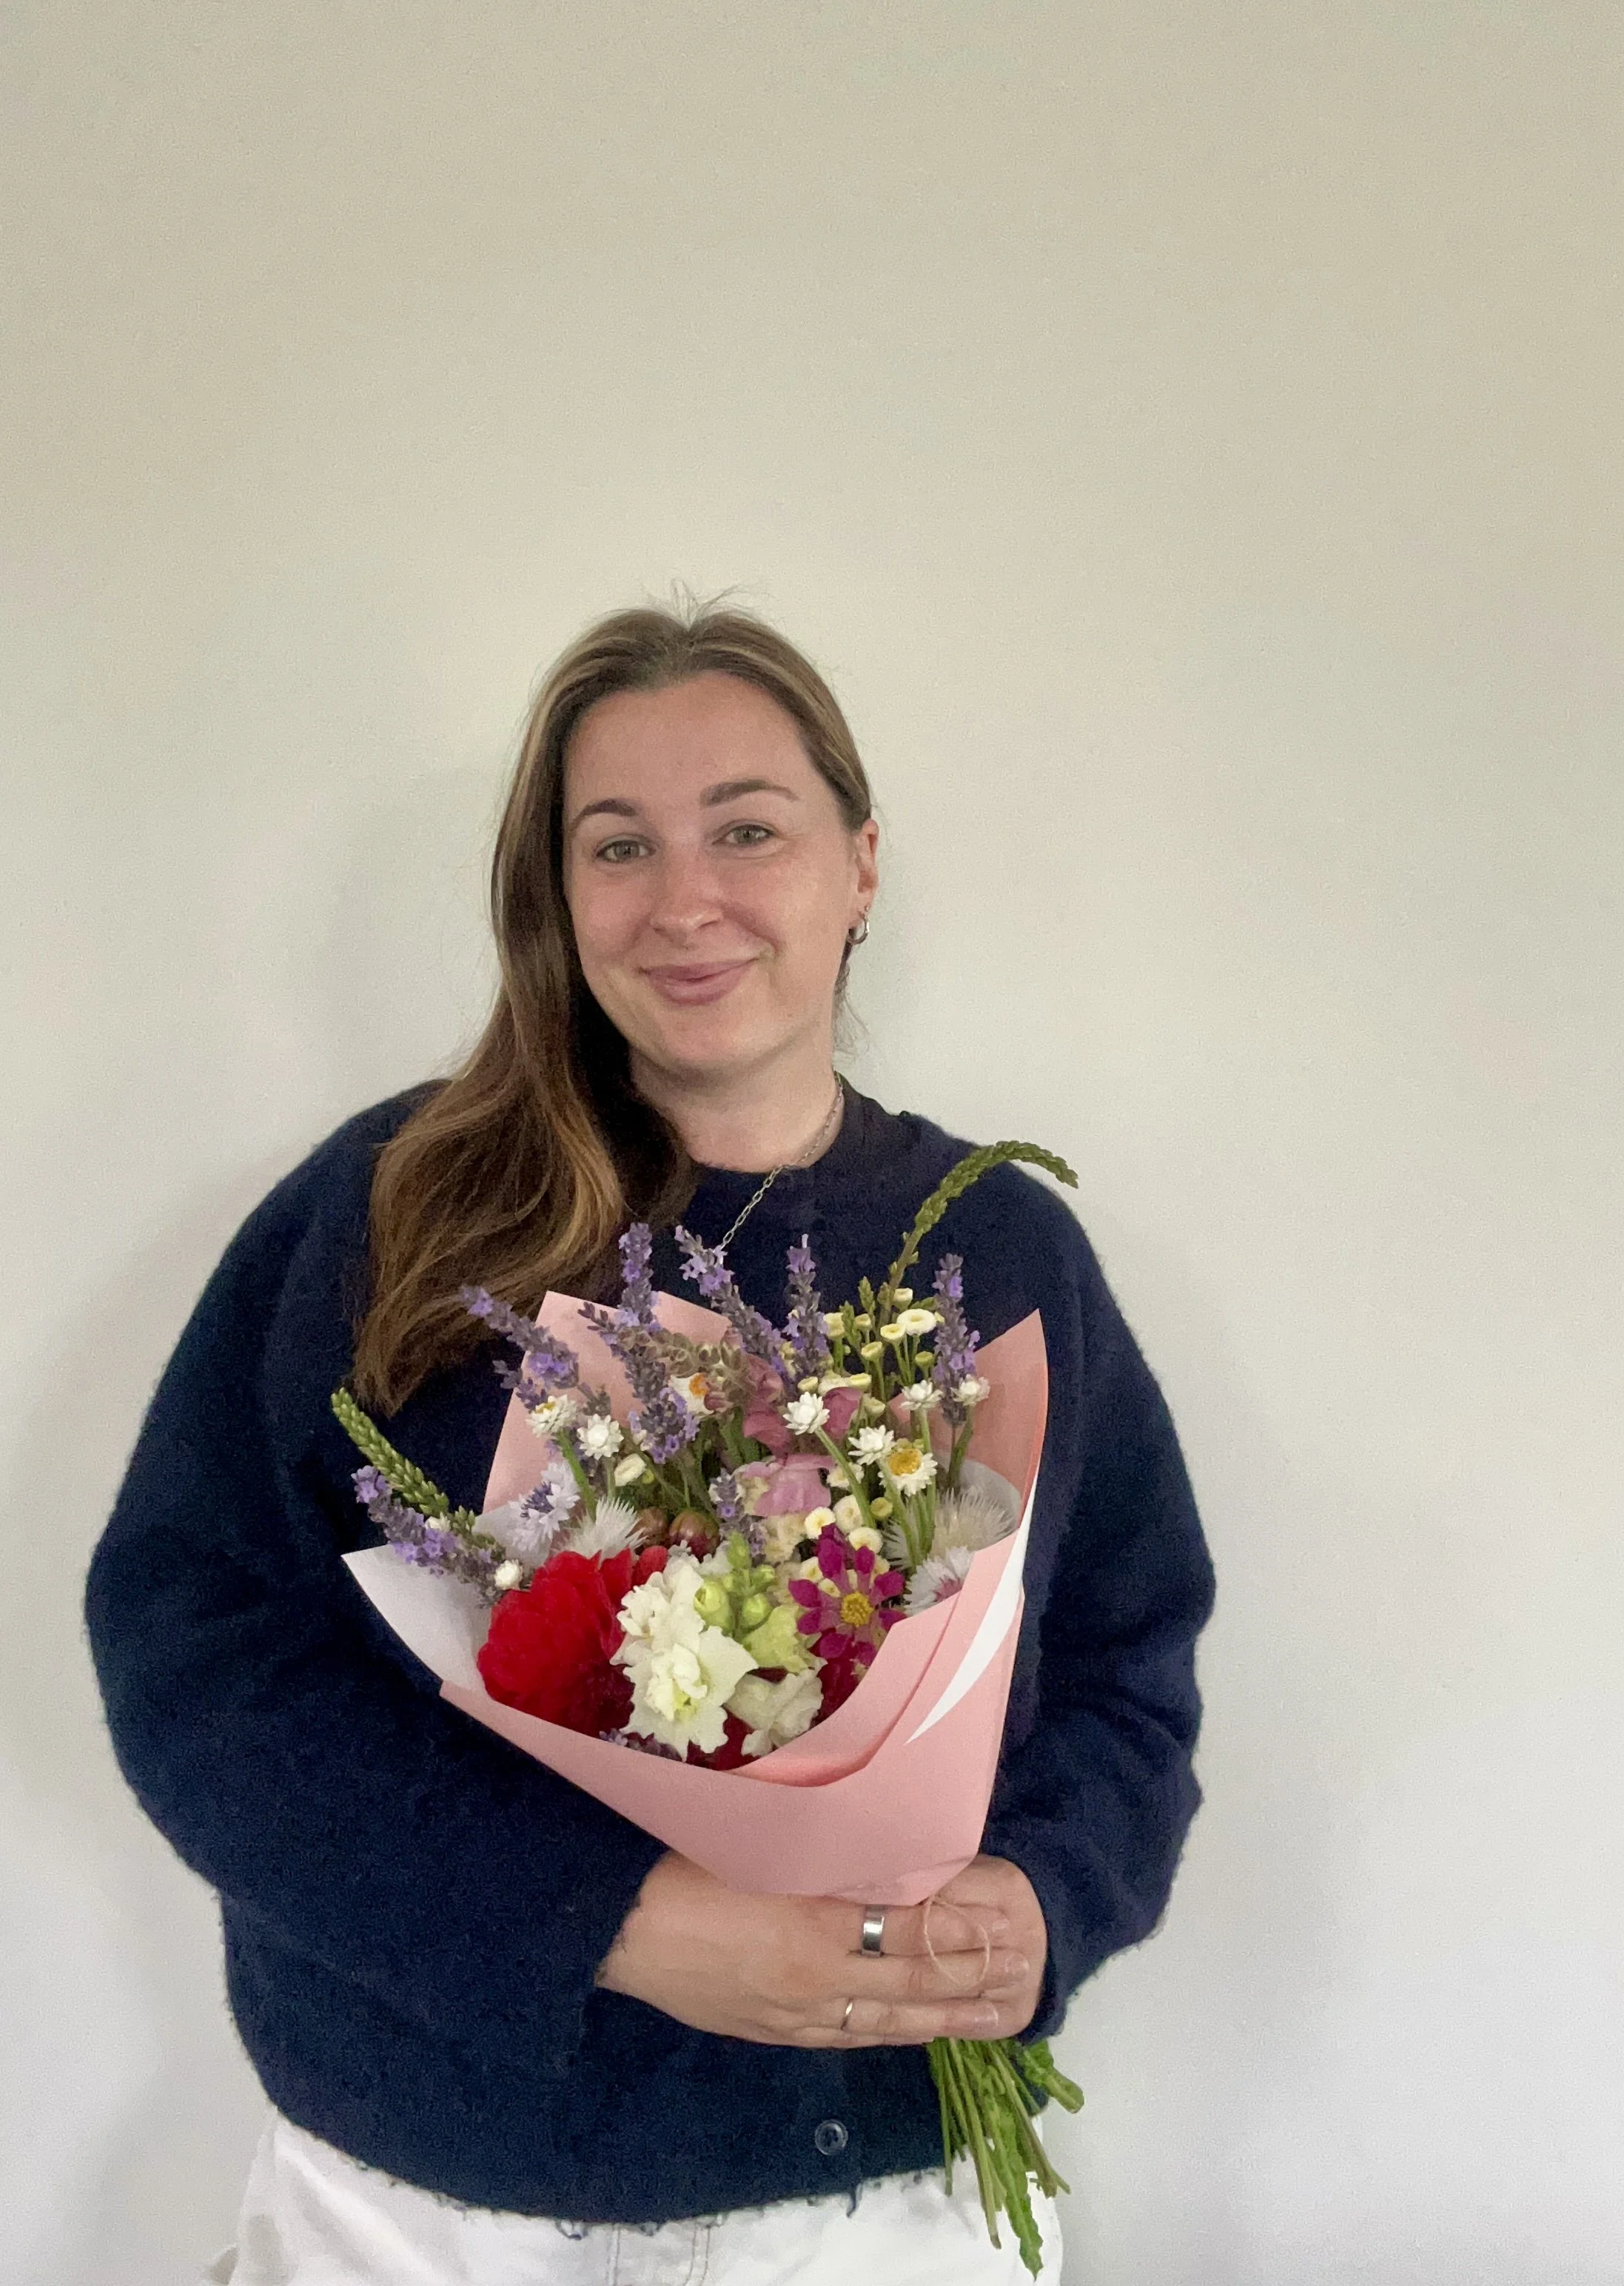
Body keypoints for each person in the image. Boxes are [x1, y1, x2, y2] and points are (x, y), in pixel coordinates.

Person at [84, 603, 1216, 2285]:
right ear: (558, 896)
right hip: (424, 2202)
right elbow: (198, 1653)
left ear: (862, 862)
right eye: (619, 844)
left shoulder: (998, 1247)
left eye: (747, 827)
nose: (685, 900)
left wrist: (1044, 1900)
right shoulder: (393, 1211)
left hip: (881, 2203)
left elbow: (1128, 1656)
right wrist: (614, 1926)